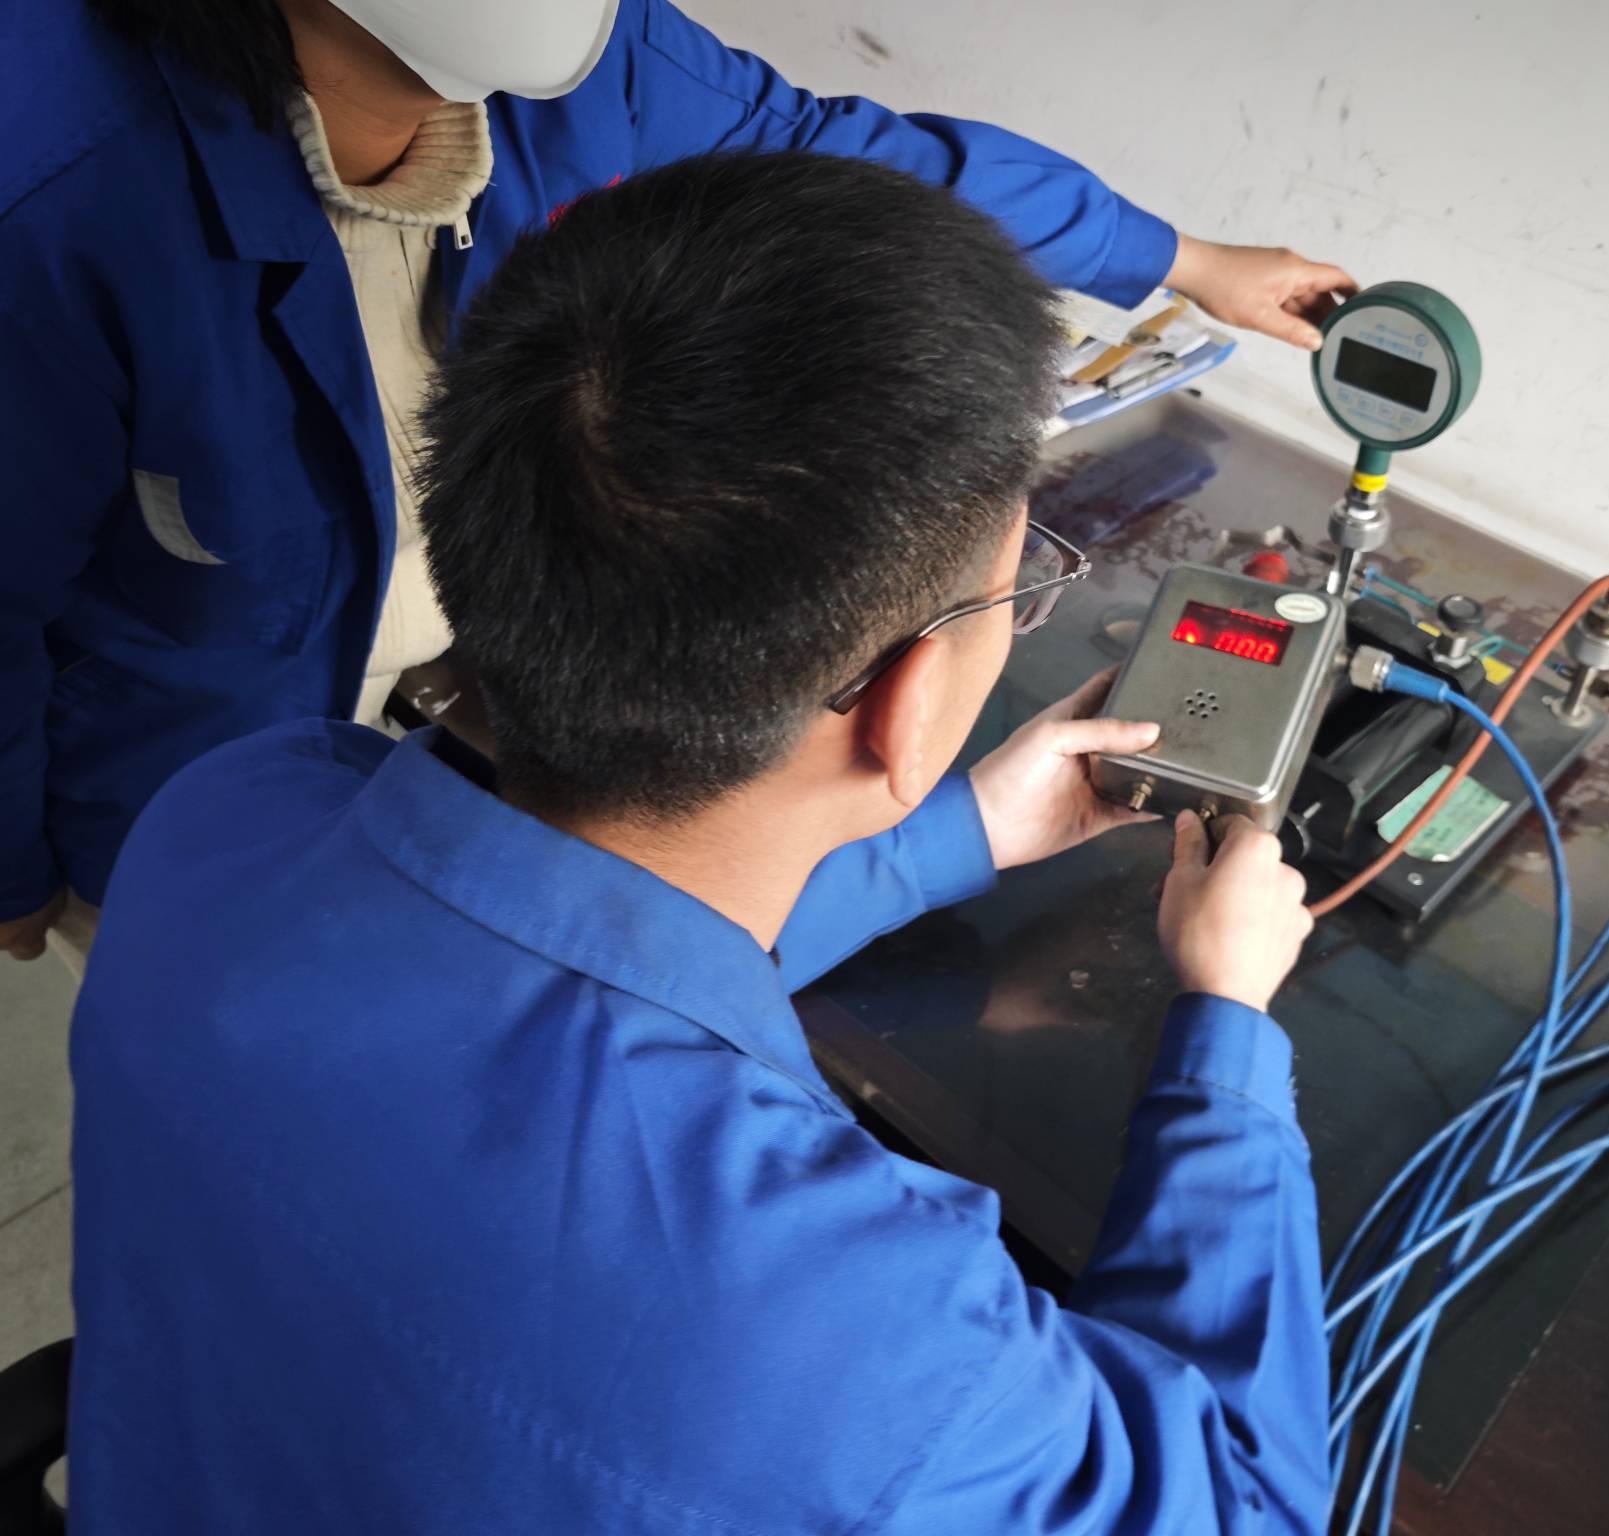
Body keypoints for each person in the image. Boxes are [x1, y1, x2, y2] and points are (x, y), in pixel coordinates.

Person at [68, 151, 1326, 1534]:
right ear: (909, 702)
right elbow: (1247, 1502)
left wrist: (956, 833)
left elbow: (574, 940)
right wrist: (1225, 1034)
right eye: (1017, 588)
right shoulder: (861, 1335)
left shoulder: (226, 818)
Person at [0, 0, 1356, 970]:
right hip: (193, 779)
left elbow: (846, 150)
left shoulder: (580, 59)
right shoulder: (54, 194)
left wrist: (1180, 260)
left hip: (458, 720)